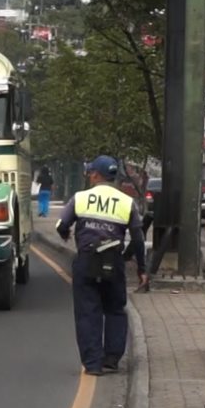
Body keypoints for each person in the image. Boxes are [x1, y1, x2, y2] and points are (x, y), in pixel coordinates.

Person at [56, 155, 149, 376]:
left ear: (96, 175)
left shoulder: (80, 198)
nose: (89, 176)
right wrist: (142, 268)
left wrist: (66, 234)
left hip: (87, 259)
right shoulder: (127, 202)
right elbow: (137, 238)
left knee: (88, 312)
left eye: (90, 172)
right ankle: (112, 359)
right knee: (116, 309)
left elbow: (62, 225)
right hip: (113, 261)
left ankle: (93, 363)